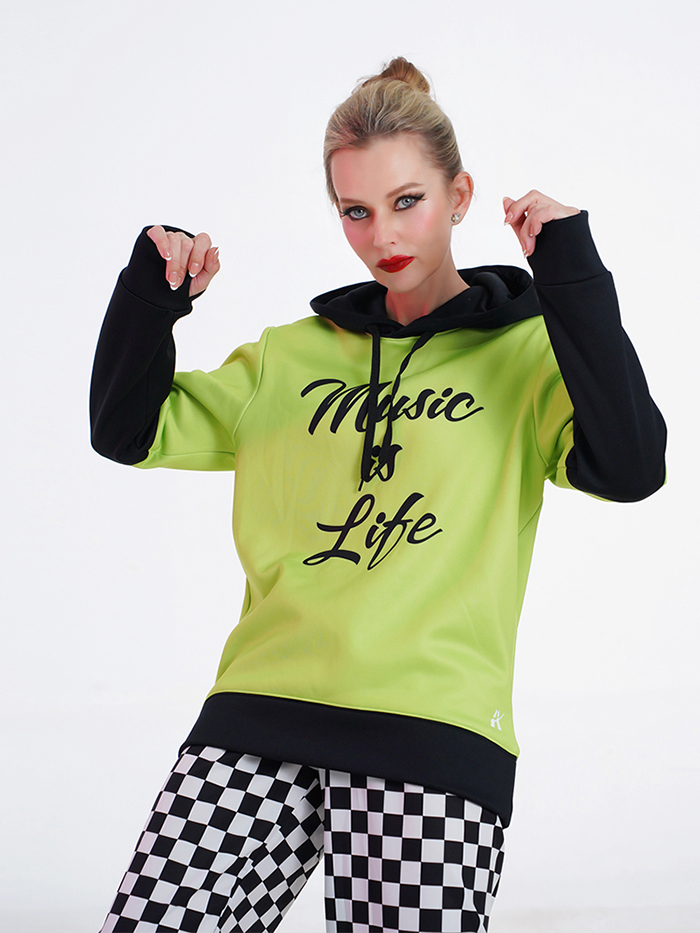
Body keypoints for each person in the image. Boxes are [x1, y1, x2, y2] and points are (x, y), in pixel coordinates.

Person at [90, 57, 666, 933]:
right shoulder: (289, 355)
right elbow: (126, 430)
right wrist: (149, 297)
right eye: (356, 210)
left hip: (431, 734)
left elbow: (631, 466)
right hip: (257, 720)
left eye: (407, 201)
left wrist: (574, 275)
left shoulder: (527, 359)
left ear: (460, 195)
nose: (383, 234)